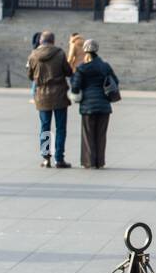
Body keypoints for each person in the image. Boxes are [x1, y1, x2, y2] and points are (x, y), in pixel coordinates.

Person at [69, 38, 119, 169]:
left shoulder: (82, 68)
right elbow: (116, 81)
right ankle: (100, 162)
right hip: (104, 105)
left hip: (88, 106)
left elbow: (75, 87)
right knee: (101, 135)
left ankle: (88, 161)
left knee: (88, 134)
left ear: (85, 51)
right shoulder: (105, 66)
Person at [26, 30, 73, 168]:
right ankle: (59, 158)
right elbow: (68, 71)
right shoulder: (59, 53)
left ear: (41, 41)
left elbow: (30, 76)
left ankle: (46, 158)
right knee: (60, 128)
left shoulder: (33, 55)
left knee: (45, 127)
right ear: (53, 41)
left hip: (42, 94)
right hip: (59, 93)